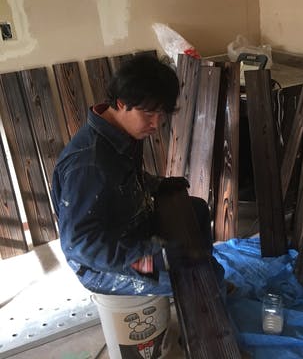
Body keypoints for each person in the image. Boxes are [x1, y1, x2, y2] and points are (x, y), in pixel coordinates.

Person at [51, 53, 224, 296]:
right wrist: (148, 258)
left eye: (161, 114)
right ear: (122, 103)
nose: (156, 124)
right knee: (202, 278)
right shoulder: (89, 163)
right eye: (149, 114)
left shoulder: (121, 131)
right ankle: (204, 292)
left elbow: (122, 180)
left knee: (196, 210)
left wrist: (156, 184)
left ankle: (203, 277)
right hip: (103, 265)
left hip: (130, 228)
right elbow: (79, 245)